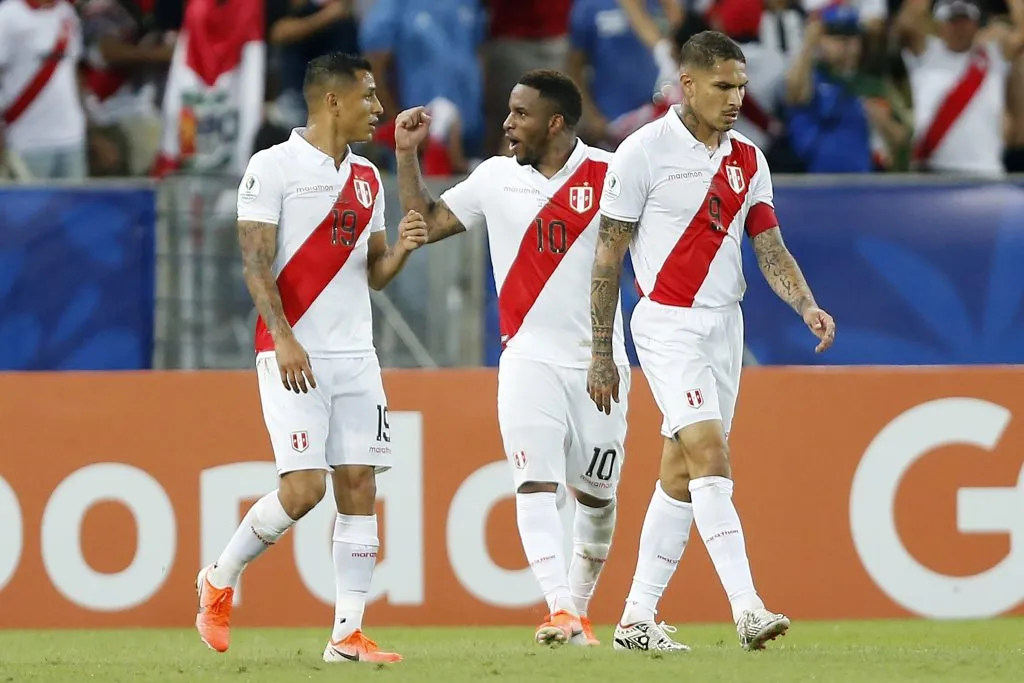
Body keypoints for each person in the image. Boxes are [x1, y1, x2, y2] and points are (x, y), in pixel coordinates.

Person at [588, 30, 836, 652]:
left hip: (727, 326)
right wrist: (601, 348)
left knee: (679, 470)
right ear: (688, 84)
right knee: (710, 454)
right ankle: (748, 608)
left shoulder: (749, 159)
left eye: (742, 87)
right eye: (723, 87)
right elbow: (607, 256)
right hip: (667, 323)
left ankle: (636, 620)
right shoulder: (641, 152)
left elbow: (768, 244)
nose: (735, 98)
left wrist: (805, 303)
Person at [194, 52, 427, 664]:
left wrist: (401, 250)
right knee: (302, 490)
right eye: (369, 97)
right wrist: (284, 334)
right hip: (290, 351)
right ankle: (219, 578)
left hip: (357, 356)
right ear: (332, 100)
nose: (378, 108)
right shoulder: (272, 167)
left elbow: (373, 274)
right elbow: (254, 261)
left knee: (359, 487)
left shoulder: (368, 179)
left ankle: (346, 635)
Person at [392, 69, 631, 648]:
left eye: (520, 114)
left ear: (555, 122)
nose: (506, 124)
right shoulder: (495, 177)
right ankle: (559, 611)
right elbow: (425, 221)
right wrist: (404, 155)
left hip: (600, 364)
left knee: (597, 499)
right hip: (526, 359)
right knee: (533, 484)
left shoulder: (612, 174)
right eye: (508, 111)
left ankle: (577, 608)